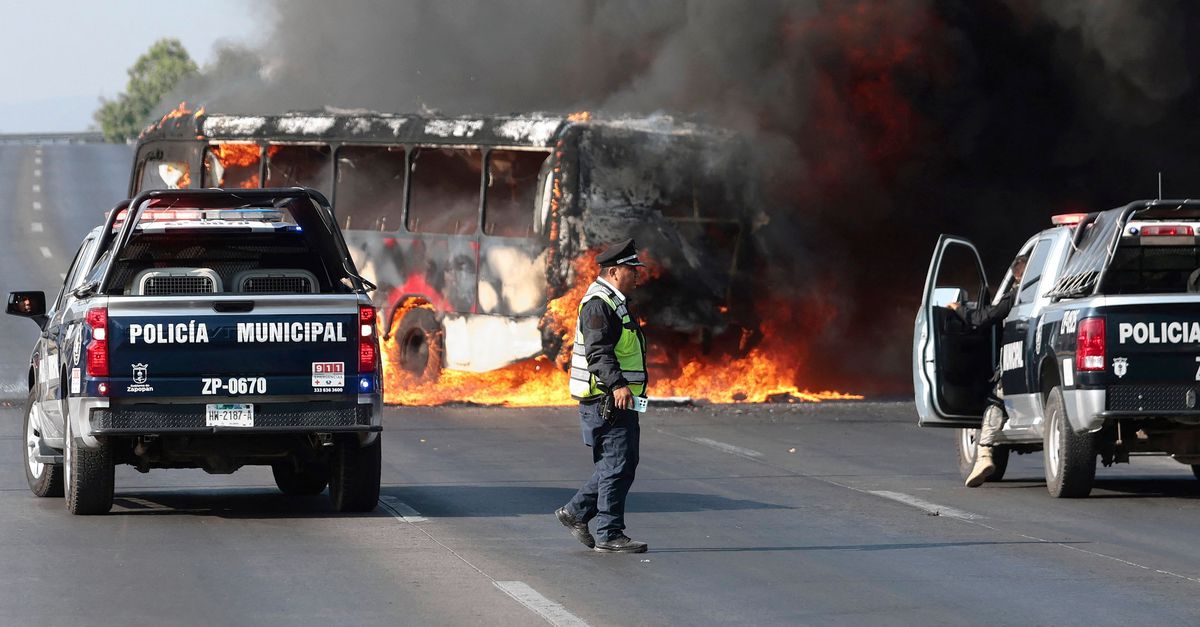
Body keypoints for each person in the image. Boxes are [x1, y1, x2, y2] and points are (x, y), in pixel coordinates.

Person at [555, 239, 650, 553]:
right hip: (605, 401)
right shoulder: (599, 303)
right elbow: (599, 353)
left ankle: (577, 512)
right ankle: (609, 533)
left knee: (621, 462)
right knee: (617, 463)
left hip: (616, 400)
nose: (637, 275)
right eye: (631, 269)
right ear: (614, 271)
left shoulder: (614, 300)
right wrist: (618, 385)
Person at [949, 254, 1027, 487]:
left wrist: (959, 310)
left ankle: (984, 454)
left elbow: (984, 318)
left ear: (1017, 275)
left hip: (1018, 362)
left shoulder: (1016, 296)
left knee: (995, 400)